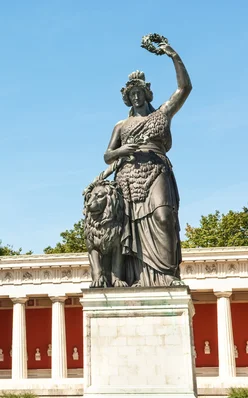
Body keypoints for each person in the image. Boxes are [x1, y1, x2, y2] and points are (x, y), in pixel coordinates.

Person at [104, 40, 192, 287]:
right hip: (128, 176)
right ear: (127, 98)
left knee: (163, 217)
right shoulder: (121, 125)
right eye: (131, 95)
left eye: (138, 93)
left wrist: (172, 54)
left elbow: (184, 88)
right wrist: (123, 149)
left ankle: (167, 274)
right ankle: (136, 277)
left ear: (146, 94)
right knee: (128, 227)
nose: (135, 97)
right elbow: (107, 155)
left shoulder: (162, 114)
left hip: (157, 169)